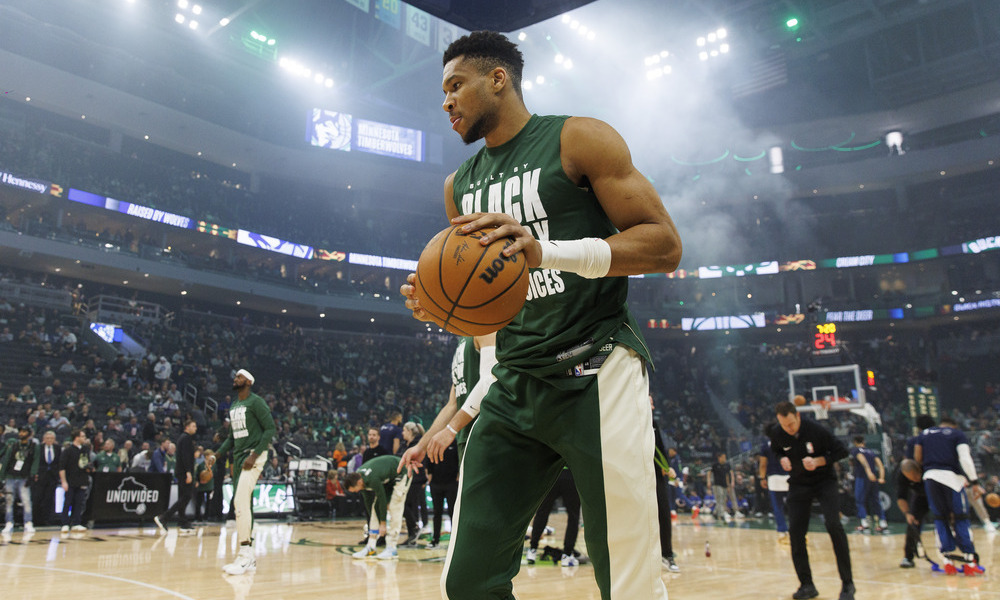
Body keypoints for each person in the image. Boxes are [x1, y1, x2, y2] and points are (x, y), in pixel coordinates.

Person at [400, 31, 681, 600]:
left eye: (456, 86)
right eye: (443, 92)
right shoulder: (460, 186)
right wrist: (443, 311)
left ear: (497, 79)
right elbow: (485, 316)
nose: (446, 101)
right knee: (468, 577)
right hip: (514, 383)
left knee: (627, 575)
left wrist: (547, 252)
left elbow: (664, 246)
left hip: (594, 369)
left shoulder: (578, 138)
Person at [766, 401, 853, 600]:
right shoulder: (778, 433)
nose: (788, 429)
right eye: (783, 425)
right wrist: (782, 458)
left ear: (797, 416)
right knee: (796, 533)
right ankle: (807, 585)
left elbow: (842, 451)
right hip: (798, 483)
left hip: (824, 481)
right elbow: (776, 449)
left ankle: (847, 584)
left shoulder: (817, 430)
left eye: (791, 424)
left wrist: (819, 461)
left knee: (833, 525)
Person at [205, 369, 276, 575]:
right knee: (242, 504)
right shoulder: (235, 405)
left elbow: (270, 429)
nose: (235, 379)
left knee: (240, 501)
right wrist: (216, 456)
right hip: (238, 457)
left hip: (252, 455)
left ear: (248, 382)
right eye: (235, 377)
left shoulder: (256, 402)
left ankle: (245, 554)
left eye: (239, 377)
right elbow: (232, 438)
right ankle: (248, 556)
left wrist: (254, 455)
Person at [913, 415, 985, 575]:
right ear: (954, 425)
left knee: (940, 518)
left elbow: (917, 458)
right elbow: (965, 459)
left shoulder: (923, 435)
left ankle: (947, 562)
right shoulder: (957, 434)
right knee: (960, 518)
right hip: (952, 480)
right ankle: (969, 563)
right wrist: (974, 483)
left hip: (930, 478)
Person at [345, 455, 412, 560]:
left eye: (355, 489)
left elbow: (382, 499)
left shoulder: (372, 478)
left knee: (395, 507)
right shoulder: (360, 478)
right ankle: (371, 547)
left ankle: (392, 548)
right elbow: (368, 502)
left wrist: (383, 524)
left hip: (402, 471)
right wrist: (372, 524)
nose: (356, 491)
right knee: (374, 507)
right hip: (389, 477)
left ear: (359, 482)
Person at [525, 467, 582, 568]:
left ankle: (532, 550)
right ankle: (567, 555)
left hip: (552, 473)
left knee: (542, 512)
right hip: (569, 474)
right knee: (573, 516)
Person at [155, 419, 198, 533]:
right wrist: (188, 472)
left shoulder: (183, 438)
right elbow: (185, 456)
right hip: (184, 472)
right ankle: (164, 517)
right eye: (193, 426)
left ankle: (182, 521)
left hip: (181, 471)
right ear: (187, 427)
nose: (195, 428)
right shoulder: (186, 438)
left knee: (183, 496)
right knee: (186, 496)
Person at [651, 402, 679, 572]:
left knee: (663, 513)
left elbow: (659, 448)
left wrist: (666, 467)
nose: (653, 407)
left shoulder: (653, 423)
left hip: (656, 475)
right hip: (635, 475)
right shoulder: (627, 421)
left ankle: (667, 554)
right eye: (650, 402)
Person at [1, 426, 40, 533]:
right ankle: (9, 522)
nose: (21, 433)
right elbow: (6, 461)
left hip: (24, 477)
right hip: (11, 477)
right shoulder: (13, 445)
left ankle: (28, 522)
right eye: (21, 431)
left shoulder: (34, 446)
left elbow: (35, 461)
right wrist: (2, 477)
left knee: (26, 500)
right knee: (9, 501)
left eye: (24, 431)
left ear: (29, 433)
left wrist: (32, 474)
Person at [424, 435, 458, 549]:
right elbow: (428, 460)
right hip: (436, 483)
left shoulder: (455, 444)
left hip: (451, 483)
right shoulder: (435, 442)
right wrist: (429, 475)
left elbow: (460, 460)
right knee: (437, 513)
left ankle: (455, 541)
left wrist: (458, 476)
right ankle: (435, 540)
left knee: (453, 512)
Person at [849, 436, 887, 534]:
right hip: (873, 479)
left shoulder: (856, 450)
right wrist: (881, 477)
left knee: (859, 500)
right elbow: (880, 465)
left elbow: (862, 460)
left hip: (862, 477)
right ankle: (883, 522)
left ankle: (864, 523)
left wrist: (868, 471)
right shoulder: (871, 452)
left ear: (855, 442)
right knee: (875, 500)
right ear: (864, 442)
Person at [896, 459, 929, 568]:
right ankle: (908, 557)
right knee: (912, 524)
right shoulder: (901, 476)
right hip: (920, 497)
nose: (914, 480)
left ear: (919, 470)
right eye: (911, 479)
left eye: (915, 477)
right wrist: (907, 514)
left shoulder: (927, 468)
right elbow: (901, 497)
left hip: (936, 494)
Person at [59, 429, 91, 533]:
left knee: (79, 503)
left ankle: (76, 523)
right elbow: (62, 467)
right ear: (76, 437)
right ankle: (65, 523)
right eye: (82, 436)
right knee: (68, 502)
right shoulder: (67, 450)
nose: (84, 438)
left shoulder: (86, 449)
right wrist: (64, 482)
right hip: (70, 480)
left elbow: (86, 463)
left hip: (82, 480)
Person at [758, 439, 790, 543]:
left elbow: (763, 464)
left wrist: (762, 478)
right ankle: (799, 531)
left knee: (777, 507)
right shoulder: (788, 441)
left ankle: (782, 532)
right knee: (794, 505)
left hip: (774, 478)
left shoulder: (766, 445)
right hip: (789, 476)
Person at [33, 430, 61, 526]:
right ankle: (35, 520)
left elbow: (59, 463)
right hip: (40, 477)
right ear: (44, 439)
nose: (49, 440)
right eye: (47, 438)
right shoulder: (38, 448)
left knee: (49, 499)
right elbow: (35, 462)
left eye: (51, 438)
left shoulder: (58, 448)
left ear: (54, 440)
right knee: (38, 498)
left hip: (52, 477)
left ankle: (47, 520)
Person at [708, 451, 742, 522]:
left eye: (725, 457)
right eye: (723, 457)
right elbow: (709, 473)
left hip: (724, 485)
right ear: (719, 458)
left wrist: (728, 485)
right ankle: (721, 514)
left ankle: (715, 513)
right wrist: (709, 481)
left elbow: (727, 476)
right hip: (717, 485)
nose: (724, 459)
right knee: (720, 499)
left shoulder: (727, 465)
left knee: (723, 499)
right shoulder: (715, 465)